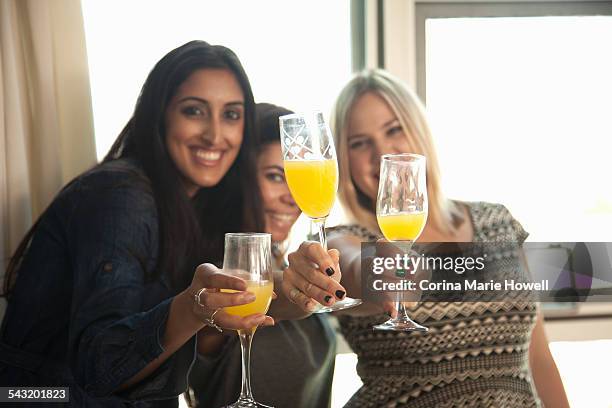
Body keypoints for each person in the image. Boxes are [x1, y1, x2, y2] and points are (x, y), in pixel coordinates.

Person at [0, 41, 275, 407]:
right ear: (159, 115)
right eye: (194, 111)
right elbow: (98, 368)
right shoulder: (120, 195)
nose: (214, 135)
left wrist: (292, 293)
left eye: (231, 115)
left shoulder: (195, 205)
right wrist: (192, 308)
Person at [283, 69, 570, 407]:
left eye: (394, 129)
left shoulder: (499, 222)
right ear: (344, 159)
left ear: (419, 131)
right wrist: (379, 268)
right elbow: (356, 266)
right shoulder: (343, 237)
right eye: (359, 143)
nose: (382, 152)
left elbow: (538, 360)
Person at [187, 103, 337, 408]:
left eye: (294, 180)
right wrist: (292, 288)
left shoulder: (290, 260)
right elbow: (265, 295)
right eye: (275, 176)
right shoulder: (210, 275)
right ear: (237, 179)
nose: (291, 197)